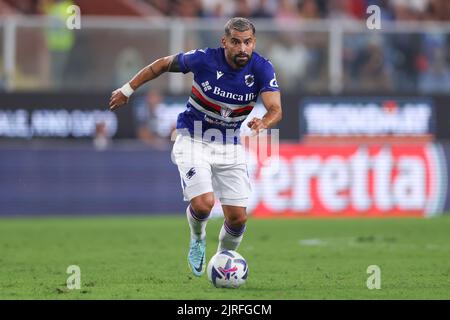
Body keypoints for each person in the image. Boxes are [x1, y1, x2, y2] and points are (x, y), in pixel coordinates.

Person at [109, 17, 282, 277]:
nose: (242, 48)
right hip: (193, 137)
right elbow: (162, 64)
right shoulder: (204, 59)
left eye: (247, 42)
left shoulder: (262, 68)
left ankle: (224, 261)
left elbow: (275, 109)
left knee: (238, 219)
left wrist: (264, 122)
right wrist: (127, 89)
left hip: (229, 145)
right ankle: (197, 238)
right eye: (236, 42)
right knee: (203, 205)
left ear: (253, 42)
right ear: (225, 42)